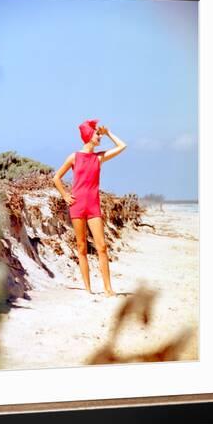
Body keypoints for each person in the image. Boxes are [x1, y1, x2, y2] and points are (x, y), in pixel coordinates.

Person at [53, 119, 127, 297]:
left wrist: (108, 133)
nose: (99, 136)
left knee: (102, 247)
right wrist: (65, 195)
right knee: (82, 247)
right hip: (77, 205)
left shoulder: (98, 157)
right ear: (88, 136)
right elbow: (56, 178)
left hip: (93, 206)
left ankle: (108, 289)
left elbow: (122, 145)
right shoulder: (74, 157)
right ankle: (87, 289)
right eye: (96, 133)